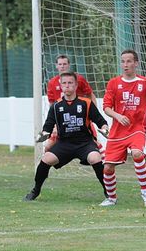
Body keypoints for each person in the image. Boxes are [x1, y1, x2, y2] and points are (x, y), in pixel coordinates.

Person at [24, 71, 109, 201]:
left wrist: (105, 129)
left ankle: (108, 191)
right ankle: (36, 190)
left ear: (76, 86)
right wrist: (42, 136)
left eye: (70, 83)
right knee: (46, 159)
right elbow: (47, 127)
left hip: (85, 143)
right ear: (61, 86)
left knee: (95, 157)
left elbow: (101, 121)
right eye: (64, 83)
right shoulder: (56, 106)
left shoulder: (86, 103)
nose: (67, 86)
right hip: (64, 143)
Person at [99, 49, 146, 208]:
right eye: (123, 61)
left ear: (136, 63)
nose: (125, 64)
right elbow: (106, 107)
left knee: (137, 153)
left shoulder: (145, 82)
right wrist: (118, 116)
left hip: (137, 128)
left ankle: (145, 192)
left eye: (129, 61)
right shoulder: (114, 83)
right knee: (107, 167)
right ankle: (112, 198)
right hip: (118, 131)